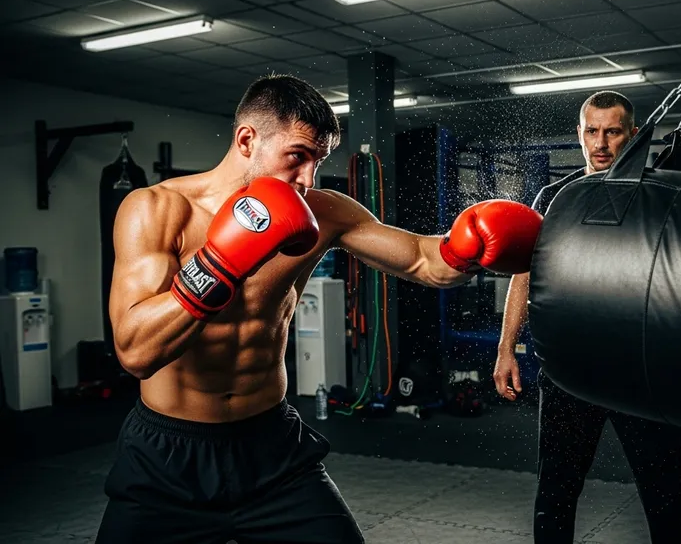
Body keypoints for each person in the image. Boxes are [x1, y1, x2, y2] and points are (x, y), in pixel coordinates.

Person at [96, 74, 543, 544]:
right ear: (247, 140)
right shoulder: (158, 210)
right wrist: (220, 263)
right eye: (297, 156)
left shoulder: (323, 211)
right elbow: (136, 353)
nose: (309, 179)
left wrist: (465, 248)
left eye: (319, 160)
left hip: (272, 449)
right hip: (168, 457)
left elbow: (420, 259)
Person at [494, 91, 681, 544]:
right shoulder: (555, 198)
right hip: (570, 370)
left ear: (633, 135)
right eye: (592, 131)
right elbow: (524, 275)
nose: (601, 143)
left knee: (666, 497)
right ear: (580, 134)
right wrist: (506, 348)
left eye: (613, 132)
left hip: (639, 372)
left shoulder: (654, 193)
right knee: (555, 493)